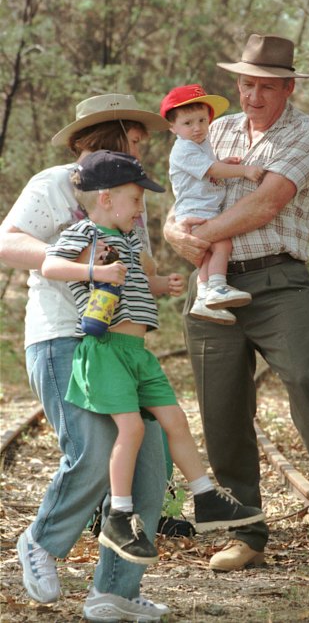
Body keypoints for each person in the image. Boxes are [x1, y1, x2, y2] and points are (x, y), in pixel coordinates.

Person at [163, 34, 309, 572]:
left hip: (278, 281)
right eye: (246, 84)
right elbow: (183, 197)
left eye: (266, 87)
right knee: (221, 408)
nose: (253, 96)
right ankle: (247, 534)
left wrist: (196, 237)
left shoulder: (304, 133)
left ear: (288, 87)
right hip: (211, 282)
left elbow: (265, 203)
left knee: (304, 379)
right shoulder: (211, 129)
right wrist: (175, 232)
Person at [42, 149, 265, 565]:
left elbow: (133, 283)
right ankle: (119, 517)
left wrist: (159, 285)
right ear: (106, 198)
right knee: (131, 430)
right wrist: (96, 273)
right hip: (106, 351)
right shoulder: (83, 233)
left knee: (175, 420)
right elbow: (51, 266)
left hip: (138, 354)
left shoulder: (126, 239)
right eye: (136, 199)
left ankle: (205, 497)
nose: (140, 208)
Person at [0, 93, 174, 622]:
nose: (143, 149)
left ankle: (115, 591)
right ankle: (41, 543)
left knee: (150, 461)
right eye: (137, 140)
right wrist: (83, 264)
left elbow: (134, 259)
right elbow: (7, 242)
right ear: (108, 135)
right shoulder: (56, 182)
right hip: (62, 337)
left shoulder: (129, 193)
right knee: (96, 449)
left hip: (121, 346)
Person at [160, 84, 265, 325]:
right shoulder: (184, 148)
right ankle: (218, 286)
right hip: (197, 210)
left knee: (208, 253)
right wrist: (243, 171)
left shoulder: (200, 143)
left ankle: (203, 297)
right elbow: (213, 170)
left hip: (203, 207)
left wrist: (222, 162)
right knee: (222, 244)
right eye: (188, 123)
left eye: (202, 120)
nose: (197, 128)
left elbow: (210, 167)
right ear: (173, 127)